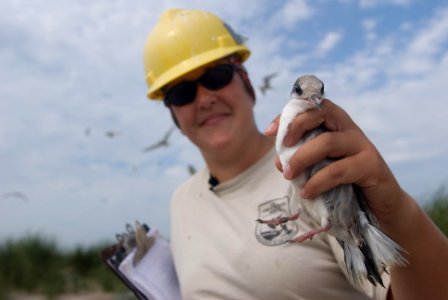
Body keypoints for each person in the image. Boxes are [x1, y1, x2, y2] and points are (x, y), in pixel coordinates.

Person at [143, 8, 448, 300]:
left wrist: (398, 211)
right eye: (181, 93)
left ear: (247, 82)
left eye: (216, 76)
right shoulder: (181, 200)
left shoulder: (324, 165)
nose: (205, 98)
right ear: (172, 113)